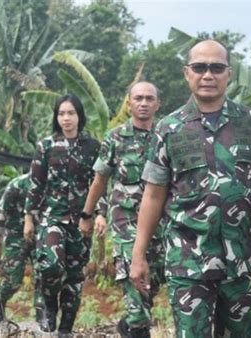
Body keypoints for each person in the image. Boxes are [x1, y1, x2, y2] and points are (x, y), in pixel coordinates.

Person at [129, 40, 251, 337]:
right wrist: (138, 255)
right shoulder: (169, 128)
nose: (208, 75)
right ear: (187, 73)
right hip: (188, 261)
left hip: (242, 261)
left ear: (229, 74)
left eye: (217, 68)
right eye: (200, 67)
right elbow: (153, 195)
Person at [80, 81, 164, 338]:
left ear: (157, 104)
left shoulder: (165, 136)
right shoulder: (115, 138)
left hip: (160, 226)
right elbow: (100, 180)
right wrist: (88, 214)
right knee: (137, 291)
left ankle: (128, 325)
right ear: (129, 103)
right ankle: (135, 326)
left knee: (153, 285)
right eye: (138, 98)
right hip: (125, 222)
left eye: (149, 99)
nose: (143, 103)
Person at [23, 94, 100, 334]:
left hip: (81, 220)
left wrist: (100, 214)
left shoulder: (93, 147)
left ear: (79, 116)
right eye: (61, 114)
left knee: (75, 277)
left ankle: (65, 328)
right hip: (52, 217)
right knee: (51, 265)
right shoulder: (45, 146)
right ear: (56, 117)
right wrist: (28, 217)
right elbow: (36, 183)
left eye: (71, 113)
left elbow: (100, 183)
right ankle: (48, 305)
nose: (66, 118)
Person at [0, 173, 44, 325]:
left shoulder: (50, 184)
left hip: (40, 235)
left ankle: (42, 315)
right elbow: (0, 218)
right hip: (15, 236)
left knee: (43, 275)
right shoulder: (17, 185)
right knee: (13, 278)